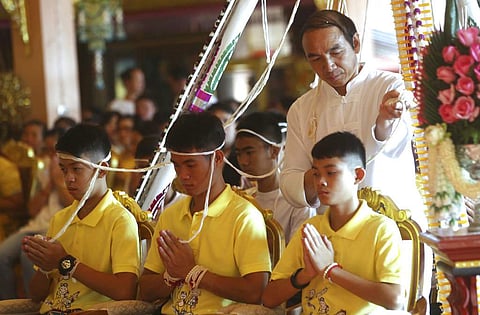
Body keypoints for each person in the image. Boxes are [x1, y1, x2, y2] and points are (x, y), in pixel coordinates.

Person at [138, 112, 271, 314]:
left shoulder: (244, 217)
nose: (183, 175)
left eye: (191, 165)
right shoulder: (171, 215)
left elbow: (256, 291)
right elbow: (146, 289)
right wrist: (171, 277)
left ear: (217, 158)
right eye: (177, 165)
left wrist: (193, 272)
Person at [263, 131, 404, 313]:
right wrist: (304, 275)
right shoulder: (311, 228)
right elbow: (269, 297)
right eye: (315, 174)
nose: (321, 181)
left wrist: (330, 270)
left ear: (357, 175)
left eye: (331, 172)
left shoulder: (381, 229)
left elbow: (394, 299)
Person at [21, 124, 140, 313]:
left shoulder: (119, 220)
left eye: (76, 169)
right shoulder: (60, 219)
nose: (68, 178)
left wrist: (65, 262)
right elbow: (36, 295)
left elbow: (125, 291)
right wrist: (44, 266)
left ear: (102, 169)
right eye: (63, 169)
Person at [0, 128, 74, 300]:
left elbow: (72, 206)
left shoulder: (74, 175)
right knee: (2, 255)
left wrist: (58, 181)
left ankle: (33, 306)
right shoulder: (42, 172)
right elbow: (32, 210)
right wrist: (48, 186)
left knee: (28, 257)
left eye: (56, 153)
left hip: (56, 227)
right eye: (48, 152)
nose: (52, 158)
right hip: (34, 226)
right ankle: (10, 305)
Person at [234, 112, 315, 243]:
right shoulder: (242, 200)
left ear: (274, 151)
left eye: (249, 152)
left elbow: (298, 256)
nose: (243, 161)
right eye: (238, 154)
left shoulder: (297, 202)